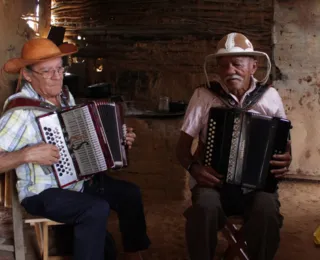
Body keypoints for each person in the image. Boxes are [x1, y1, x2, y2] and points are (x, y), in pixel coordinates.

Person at [0, 38, 150, 260]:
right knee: (95, 209)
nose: (57, 76)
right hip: (42, 192)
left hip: (77, 182)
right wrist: (27, 154)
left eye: (60, 68)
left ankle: (132, 255)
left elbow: (80, 136)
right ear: (28, 75)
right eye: (47, 71)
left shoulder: (65, 96)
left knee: (130, 194)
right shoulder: (19, 112)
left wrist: (116, 138)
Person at [176, 32, 292, 260]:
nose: (230, 71)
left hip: (257, 186)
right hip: (213, 184)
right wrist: (194, 169)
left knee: (267, 211)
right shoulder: (203, 96)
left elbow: (284, 144)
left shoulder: (270, 96)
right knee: (204, 209)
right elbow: (181, 149)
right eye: (223, 65)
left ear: (253, 66)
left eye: (237, 64)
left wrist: (286, 158)